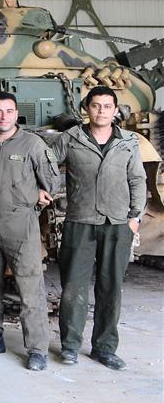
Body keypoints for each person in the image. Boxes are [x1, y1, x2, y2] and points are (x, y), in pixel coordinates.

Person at [51, 86, 146, 370]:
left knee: (110, 287)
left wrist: (135, 218)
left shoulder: (128, 141)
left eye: (107, 106)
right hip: (80, 221)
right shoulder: (71, 138)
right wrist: (43, 190)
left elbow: (137, 179)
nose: (101, 111)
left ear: (115, 110)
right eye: (95, 105)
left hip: (117, 223)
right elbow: (45, 164)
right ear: (87, 109)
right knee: (73, 286)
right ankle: (70, 346)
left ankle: (104, 348)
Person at [0, 91, 58, 371]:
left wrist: (37, 194)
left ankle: (37, 349)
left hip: (20, 222)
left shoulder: (33, 144)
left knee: (30, 287)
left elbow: (51, 182)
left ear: (17, 114)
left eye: (8, 111)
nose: (3, 116)